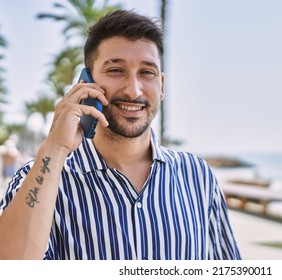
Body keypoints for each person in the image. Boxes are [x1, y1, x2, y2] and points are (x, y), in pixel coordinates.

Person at [0, 9, 241, 260]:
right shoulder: (41, 178)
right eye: (116, 70)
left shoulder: (197, 176)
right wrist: (55, 148)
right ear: (86, 83)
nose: (133, 90)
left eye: (147, 72)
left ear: (162, 86)